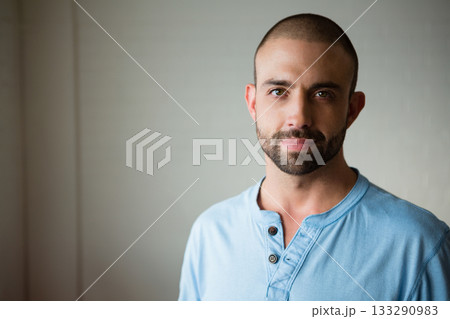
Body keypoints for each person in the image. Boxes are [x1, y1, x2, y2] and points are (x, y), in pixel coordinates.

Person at [178, 13, 450, 301]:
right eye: (278, 91)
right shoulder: (209, 233)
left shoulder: (419, 245)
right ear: (253, 103)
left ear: (352, 109)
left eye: (322, 93)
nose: (299, 117)